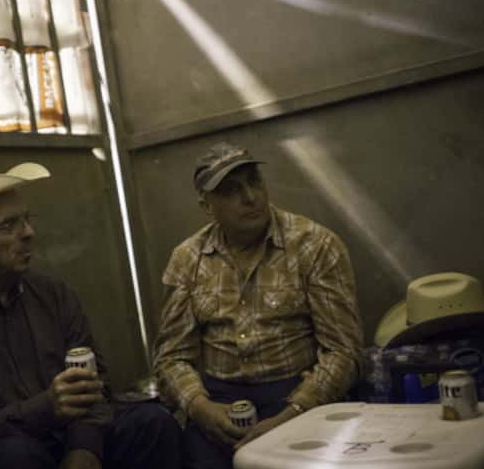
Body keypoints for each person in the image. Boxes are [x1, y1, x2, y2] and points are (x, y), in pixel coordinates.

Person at [0, 160, 182, 469]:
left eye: (27, 220)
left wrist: (84, 450)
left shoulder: (55, 296)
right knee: (16, 458)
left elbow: (95, 387)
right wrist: (43, 409)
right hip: (3, 453)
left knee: (152, 423)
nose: (29, 233)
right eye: (9, 226)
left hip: (71, 439)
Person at [152, 142, 364, 469]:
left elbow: (344, 351)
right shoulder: (187, 259)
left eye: (254, 182)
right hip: (218, 407)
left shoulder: (314, 245)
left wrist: (293, 413)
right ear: (207, 206)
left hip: (299, 399)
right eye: (231, 191)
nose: (250, 197)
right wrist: (200, 407)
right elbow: (170, 357)